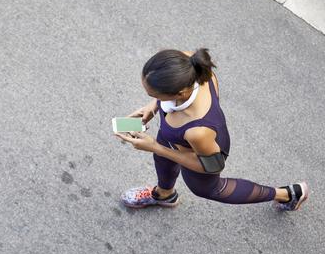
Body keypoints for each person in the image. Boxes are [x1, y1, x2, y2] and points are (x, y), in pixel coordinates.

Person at [115, 48, 309, 211]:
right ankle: (163, 195)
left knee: (208, 189)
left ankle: (288, 194)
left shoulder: (197, 131)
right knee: (163, 158)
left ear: (179, 93)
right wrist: (153, 106)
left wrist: (156, 147)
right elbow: (166, 93)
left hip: (201, 149)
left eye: (154, 94)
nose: (152, 96)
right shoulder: (187, 65)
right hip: (176, 137)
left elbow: (213, 166)